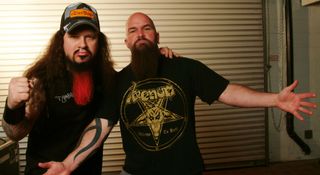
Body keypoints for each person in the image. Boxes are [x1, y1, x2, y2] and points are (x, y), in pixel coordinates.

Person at [39, 12, 317, 175]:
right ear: (126, 42)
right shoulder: (117, 81)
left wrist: (274, 100)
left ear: (157, 37)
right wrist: (67, 164)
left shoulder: (186, 68)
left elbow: (228, 92)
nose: (141, 34)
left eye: (147, 28)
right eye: (133, 31)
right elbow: (99, 128)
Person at [1, 3, 174, 175]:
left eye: (90, 36)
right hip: (46, 172)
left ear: (100, 41)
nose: (82, 44)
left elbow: (138, 74)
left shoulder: (108, 79)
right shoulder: (41, 79)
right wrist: (12, 106)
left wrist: (157, 56)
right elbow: (15, 134)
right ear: (62, 39)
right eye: (74, 36)